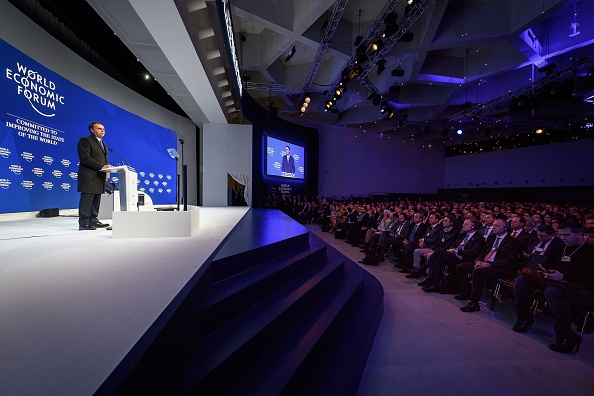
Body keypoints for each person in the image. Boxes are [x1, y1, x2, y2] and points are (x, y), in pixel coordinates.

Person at [512, 221, 594, 353]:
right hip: (556, 283)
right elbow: (547, 265)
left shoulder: (590, 252)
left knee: (552, 291)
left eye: (567, 235)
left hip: (582, 290)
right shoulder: (560, 248)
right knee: (521, 280)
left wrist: (564, 277)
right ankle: (524, 318)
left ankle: (565, 335)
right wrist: (543, 271)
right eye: (561, 235)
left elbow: (590, 279)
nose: (563, 238)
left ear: (580, 234)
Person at [456, 219, 521, 312]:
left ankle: (474, 303)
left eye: (497, 226)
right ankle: (465, 293)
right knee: (461, 267)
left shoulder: (512, 242)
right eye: (493, 225)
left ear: (505, 228)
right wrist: (479, 261)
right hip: (486, 263)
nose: (493, 227)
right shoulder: (491, 238)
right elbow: (483, 252)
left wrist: (488, 264)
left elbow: (509, 261)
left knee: (477, 272)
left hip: (500, 267)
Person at [77, 122, 112, 230]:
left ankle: (93, 220)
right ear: (92, 130)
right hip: (88, 175)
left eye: (103, 129)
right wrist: (102, 167)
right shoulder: (85, 141)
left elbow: (105, 161)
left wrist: (106, 171)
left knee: (97, 199)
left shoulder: (104, 144)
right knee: (87, 199)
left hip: (99, 176)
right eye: (99, 128)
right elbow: (85, 158)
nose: (102, 131)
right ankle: (84, 223)